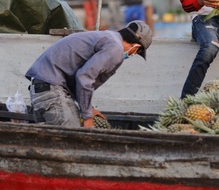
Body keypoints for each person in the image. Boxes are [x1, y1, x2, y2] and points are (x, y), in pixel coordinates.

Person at [24, 20, 153, 128]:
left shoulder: (107, 36)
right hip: (53, 92)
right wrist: (87, 117)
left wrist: (88, 107)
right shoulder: (116, 48)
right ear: (136, 47)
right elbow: (84, 77)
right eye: (136, 52)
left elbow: (76, 80)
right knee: (72, 146)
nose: (133, 54)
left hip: (39, 92)